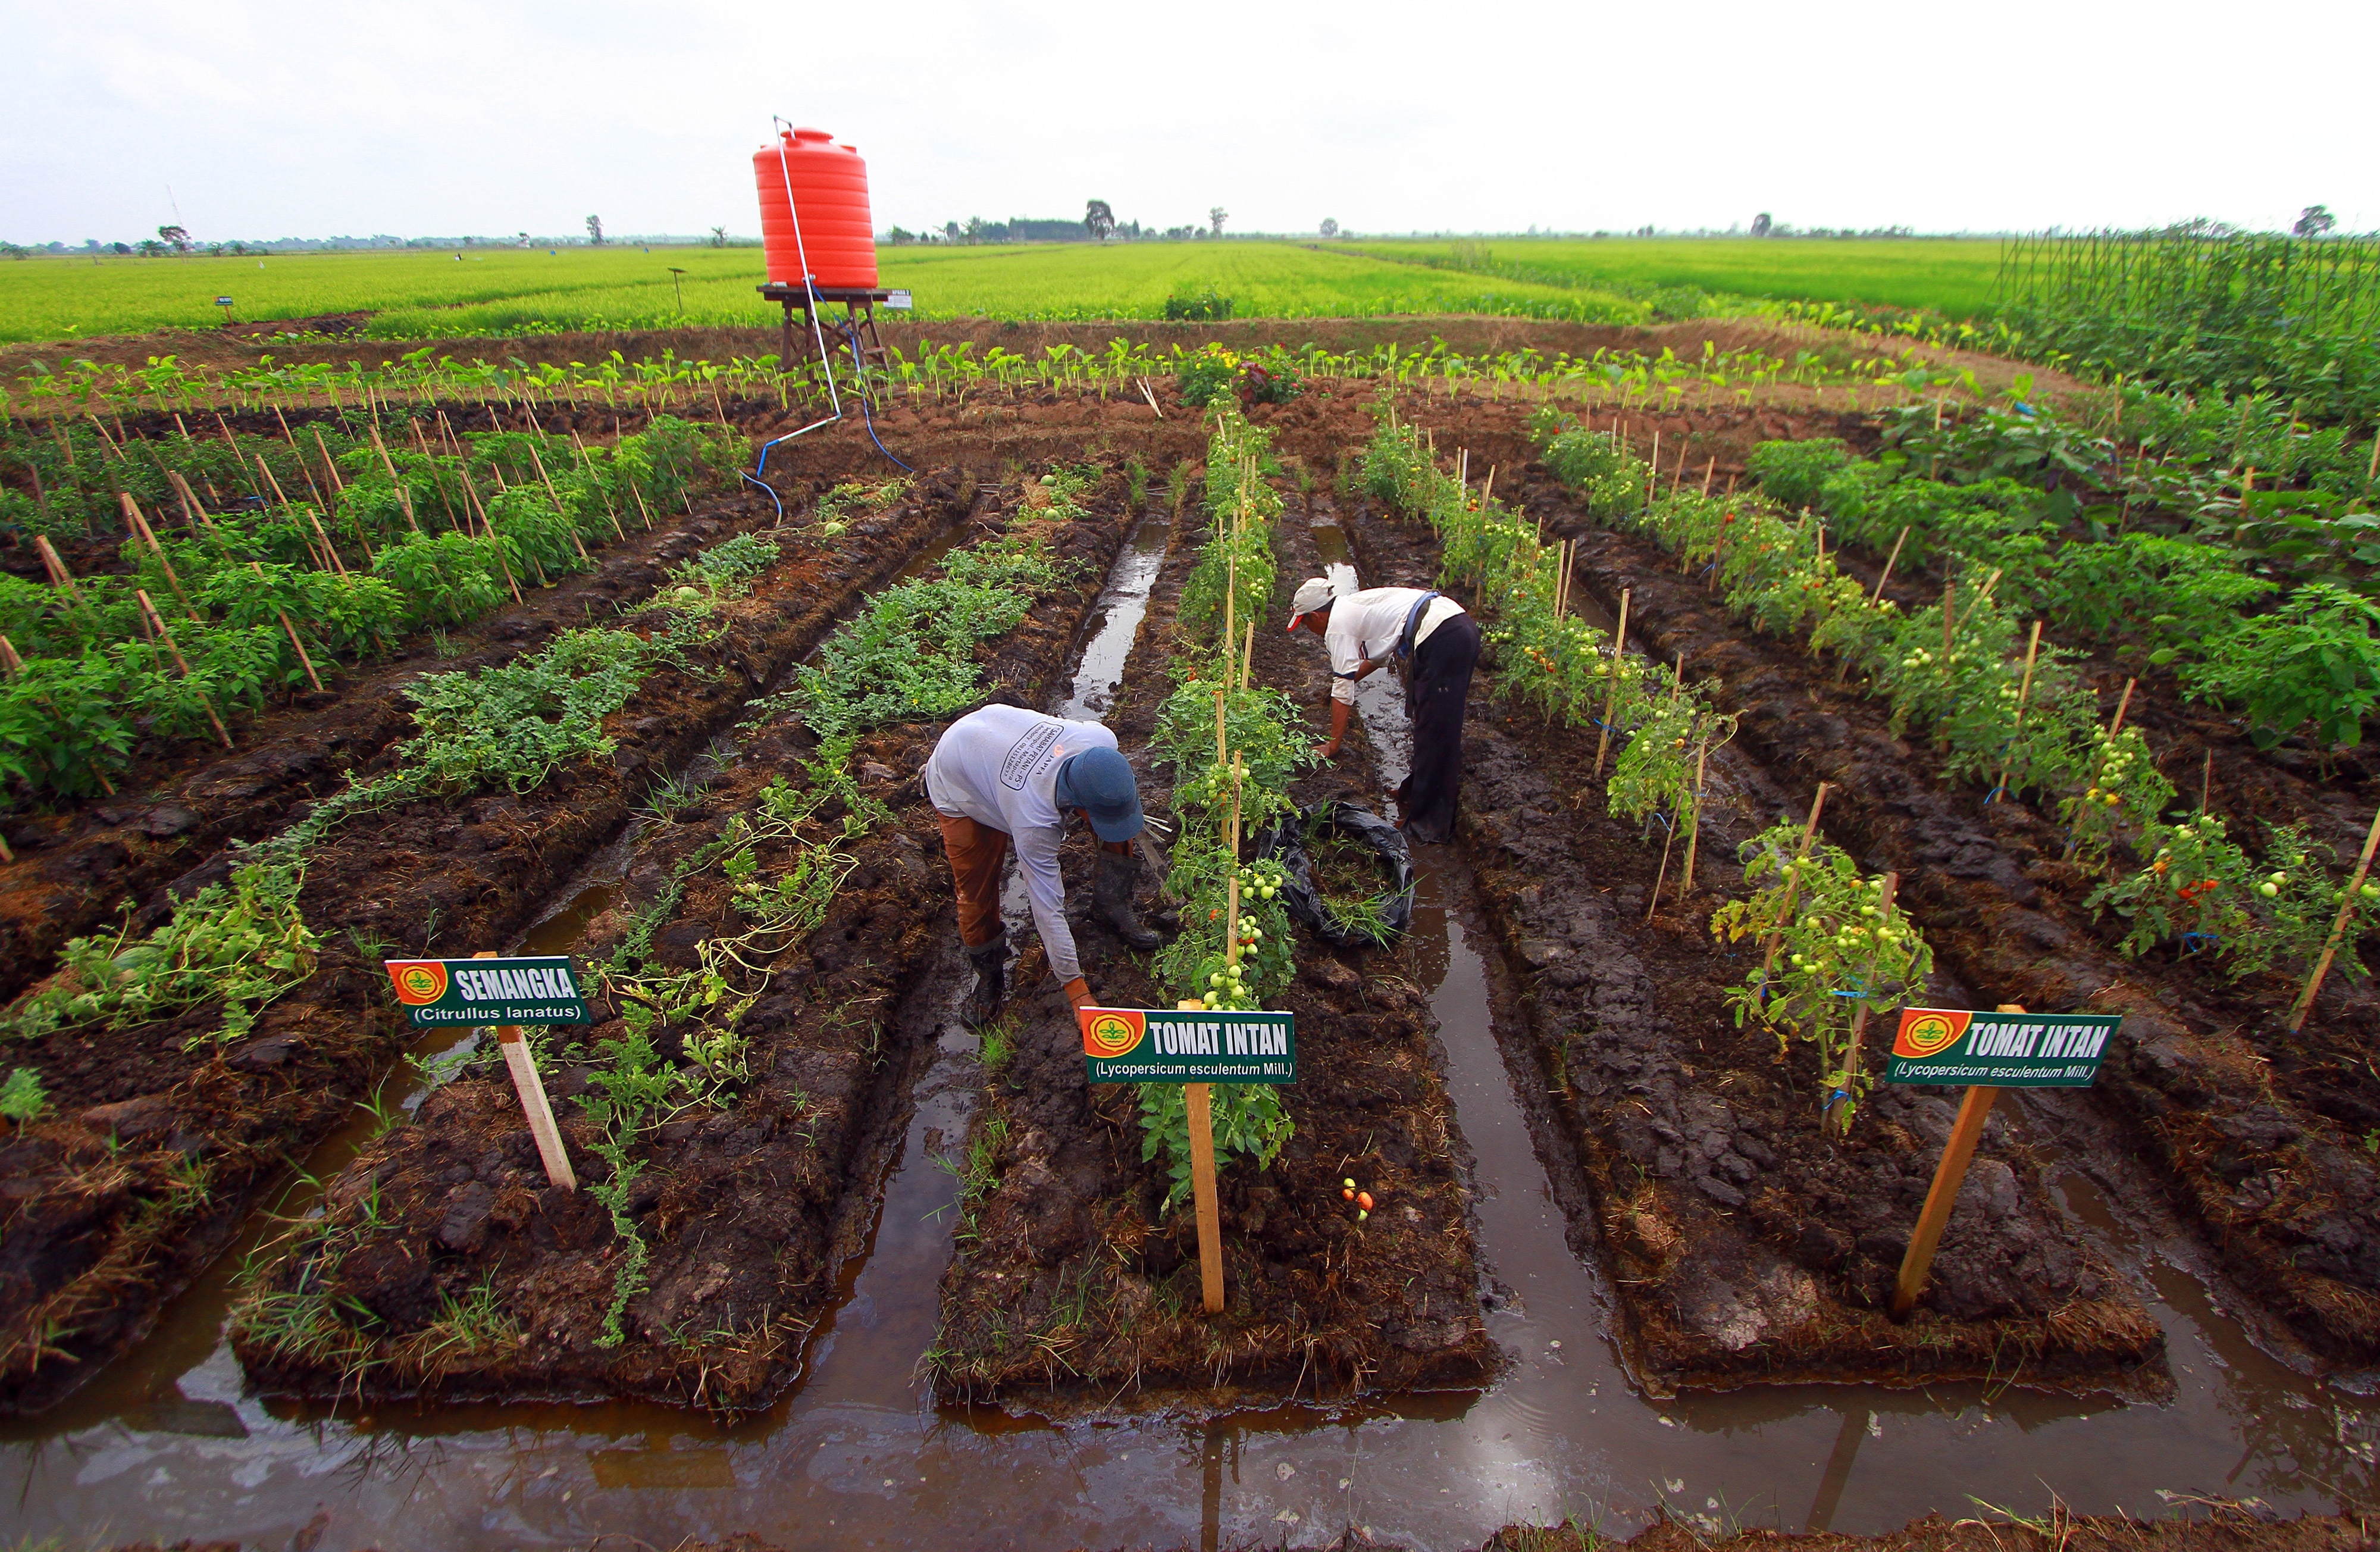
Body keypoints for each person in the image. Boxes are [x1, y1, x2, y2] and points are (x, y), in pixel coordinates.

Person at [925, 703, 1160, 1028]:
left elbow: (1111, 795)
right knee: (977, 887)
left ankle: (1112, 907)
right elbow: (1047, 907)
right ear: (1075, 803)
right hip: (960, 776)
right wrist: (1077, 991)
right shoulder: (1034, 821)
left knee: (1114, 820)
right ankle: (989, 976)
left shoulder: (1100, 740)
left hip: (999, 731)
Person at [1285, 576, 1482, 844]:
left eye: (1305, 624)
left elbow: (1343, 690)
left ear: (1316, 616)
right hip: (1450, 627)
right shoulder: (1351, 607)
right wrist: (1347, 680)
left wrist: (1333, 745)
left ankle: (1427, 826)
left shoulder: (1338, 627)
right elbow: (1376, 659)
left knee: (1438, 731)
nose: (1309, 631)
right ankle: (1413, 793)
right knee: (1428, 723)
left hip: (1444, 636)